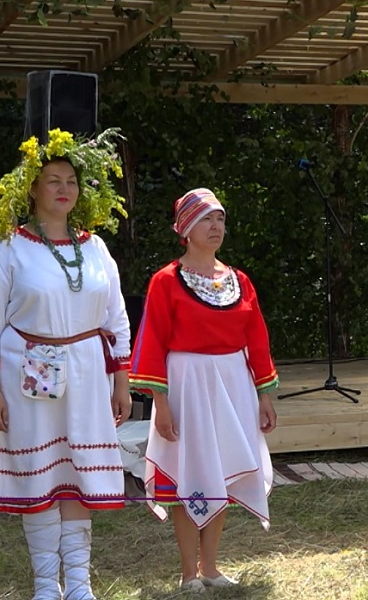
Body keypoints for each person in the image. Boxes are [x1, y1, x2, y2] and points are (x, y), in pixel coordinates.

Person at [0, 129, 132, 600]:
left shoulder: (96, 249)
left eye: (72, 181)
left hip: (86, 373)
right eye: (53, 180)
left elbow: (117, 320)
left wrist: (121, 383)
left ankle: (78, 583)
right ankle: (46, 583)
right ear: (32, 189)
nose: (64, 188)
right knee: (40, 475)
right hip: (27, 372)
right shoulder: (8, 248)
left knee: (77, 475)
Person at [130, 188, 279, 593]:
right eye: (206, 219)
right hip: (188, 386)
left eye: (220, 219)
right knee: (191, 473)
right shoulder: (166, 281)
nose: (215, 227)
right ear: (185, 229)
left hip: (234, 385)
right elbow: (152, 341)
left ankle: (210, 566)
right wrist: (161, 403)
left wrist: (264, 394)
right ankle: (188, 572)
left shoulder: (239, 280)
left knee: (222, 470)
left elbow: (257, 339)